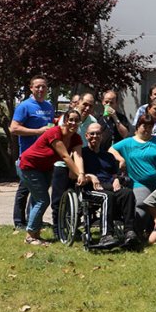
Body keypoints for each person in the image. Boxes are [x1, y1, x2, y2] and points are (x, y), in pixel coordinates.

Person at [19, 109, 86, 245]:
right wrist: (78, 174)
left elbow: (78, 156)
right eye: (70, 119)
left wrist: (82, 174)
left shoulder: (76, 138)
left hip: (45, 168)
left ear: (80, 122)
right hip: (29, 165)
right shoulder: (55, 132)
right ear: (65, 120)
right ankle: (30, 235)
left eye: (76, 120)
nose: (73, 123)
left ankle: (35, 233)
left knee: (36, 199)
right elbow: (65, 156)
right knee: (43, 200)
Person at [109, 113, 156, 232]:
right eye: (145, 126)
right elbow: (111, 150)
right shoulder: (128, 142)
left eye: (150, 127)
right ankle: (134, 232)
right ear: (138, 126)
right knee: (141, 205)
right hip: (138, 183)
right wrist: (121, 159)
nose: (147, 130)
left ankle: (149, 231)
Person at [81, 122, 139, 249]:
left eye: (98, 134)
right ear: (86, 136)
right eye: (92, 134)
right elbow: (75, 175)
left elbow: (114, 174)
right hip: (91, 189)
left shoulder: (108, 156)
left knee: (127, 193)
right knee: (108, 196)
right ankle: (106, 235)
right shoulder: (81, 153)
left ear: (102, 136)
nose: (95, 136)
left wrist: (117, 179)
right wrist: (90, 176)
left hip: (109, 186)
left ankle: (129, 232)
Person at [10, 74, 56, 229]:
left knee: (40, 190)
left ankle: (34, 220)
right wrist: (37, 131)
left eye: (44, 86)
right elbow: (14, 128)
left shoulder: (49, 106)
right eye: (37, 86)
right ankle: (19, 222)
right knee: (24, 190)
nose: (41, 89)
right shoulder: (25, 106)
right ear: (31, 88)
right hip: (28, 156)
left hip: (45, 157)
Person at [50, 93, 97, 238]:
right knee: (58, 199)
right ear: (78, 103)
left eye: (91, 105)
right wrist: (72, 167)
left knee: (78, 199)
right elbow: (63, 148)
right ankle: (58, 229)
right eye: (85, 104)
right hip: (62, 163)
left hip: (80, 163)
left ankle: (72, 227)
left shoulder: (92, 121)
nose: (87, 108)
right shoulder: (67, 119)